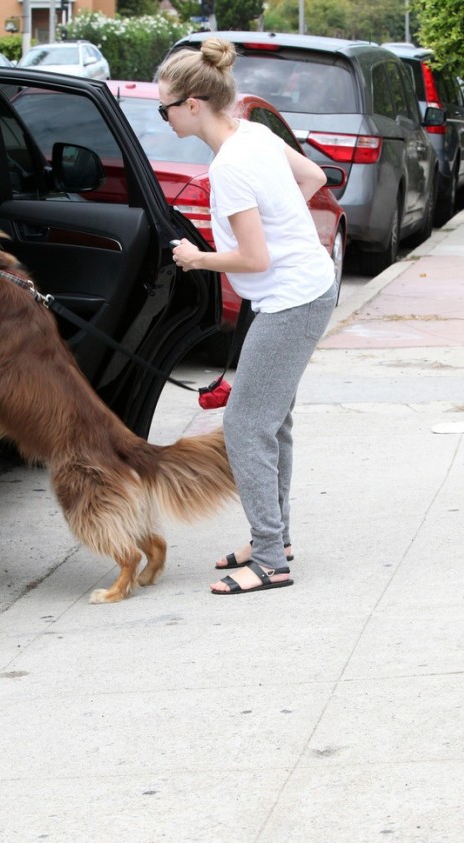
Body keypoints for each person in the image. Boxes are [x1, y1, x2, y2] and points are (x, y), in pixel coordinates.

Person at [157, 38, 337, 595]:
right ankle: (274, 539)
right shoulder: (254, 134)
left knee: (245, 423)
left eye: (164, 107)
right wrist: (289, 230)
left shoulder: (231, 167)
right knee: (271, 419)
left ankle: (268, 561)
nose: (162, 116)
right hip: (304, 287)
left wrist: (196, 259)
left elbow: (254, 257)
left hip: (291, 299)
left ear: (192, 104)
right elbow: (314, 180)